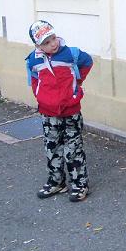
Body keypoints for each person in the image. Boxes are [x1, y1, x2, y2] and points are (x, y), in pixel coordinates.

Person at [25, 20, 93, 202]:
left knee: (73, 148)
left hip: (70, 111)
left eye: (53, 38)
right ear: (38, 45)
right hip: (48, 113)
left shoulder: (71, 54)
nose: (53, 44)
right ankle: (56, 182)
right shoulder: (33, 60)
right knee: (52, 147)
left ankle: (80, 185)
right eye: (46, 42)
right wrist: (41, 97)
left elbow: (88, 62)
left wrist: (76, 85)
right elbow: (34, 81)